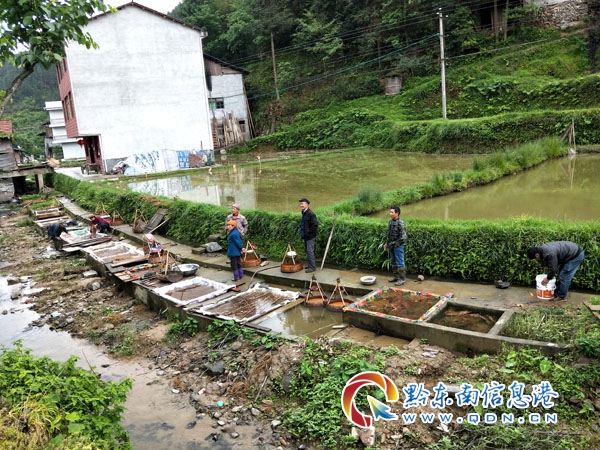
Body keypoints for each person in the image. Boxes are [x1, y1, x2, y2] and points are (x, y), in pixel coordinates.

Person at [383, 206, 407, 286]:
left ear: (397, 213)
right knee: (393, 262)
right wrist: (387, 243)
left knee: (400, 263)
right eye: (390, 212)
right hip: (391, 245)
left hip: (398, 246)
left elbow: (404, 237)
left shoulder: (400, 223)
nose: (390, 214)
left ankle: (402, 279)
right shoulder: (390, 222)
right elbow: (389, 235)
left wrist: (396, 244)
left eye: (392, 212)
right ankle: (396, 277)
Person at [299, 198, 318, 273]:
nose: (301, 205)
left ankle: (312, 267)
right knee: (307, 251)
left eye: (302, 204)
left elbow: (315, 225)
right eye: (300, 204)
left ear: (307, 204)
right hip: (305, 236)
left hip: (310, 237)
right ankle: (310, 265)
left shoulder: (311, 214)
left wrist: (309, 233)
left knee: (310, 251)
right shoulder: (303, 212)